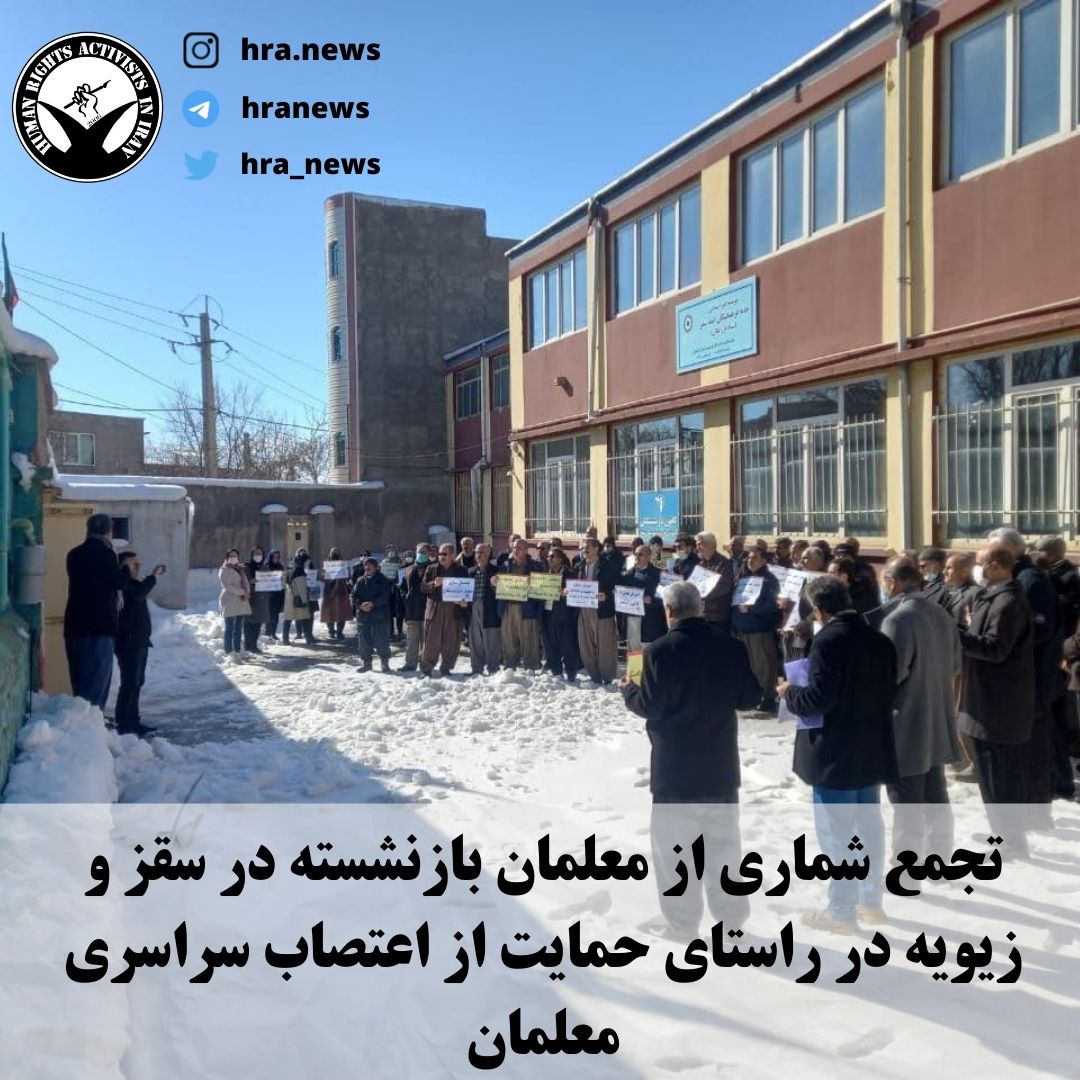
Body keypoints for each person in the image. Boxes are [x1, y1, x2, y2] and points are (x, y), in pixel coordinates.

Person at [621, 581, 760, 936]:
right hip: (719, 768)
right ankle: (731, 924)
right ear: (700, 608)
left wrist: (629, 691)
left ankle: (682, 925)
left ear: (668, 611)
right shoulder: (731, 647)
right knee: (725, 852)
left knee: (675, 856)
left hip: (675, 771)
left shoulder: (659, 651)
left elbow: (649, 705)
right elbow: (750, 698)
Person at [779, 575, 898, 931]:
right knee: (868, 827)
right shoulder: (879, 639)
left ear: (819, 609)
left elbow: (818, 698)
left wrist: (789, 693)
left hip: (836, 750)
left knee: (838, 833)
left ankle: (842, 911)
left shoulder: (828, 641)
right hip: (871, 745)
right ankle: (870, 901)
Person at [877, 557, 962, 859]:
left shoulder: (897, 620)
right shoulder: (940, 614)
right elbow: (955, 667)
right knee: (935, 792)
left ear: (893, 582)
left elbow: (890, 676)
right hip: (937, 715)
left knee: (907, 799)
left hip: (907, 721)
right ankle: (939, 856)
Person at [957, 543, 1034, 856]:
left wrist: (956, 635)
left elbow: (996, 649)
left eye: (981, 562)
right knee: (992, 777)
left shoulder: (1008, 602)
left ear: (997, 565)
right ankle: (1002, 835)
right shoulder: (993, 596)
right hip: (986, 700)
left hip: (998, 705)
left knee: (1000, 777)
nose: (978, 569)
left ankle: (1010, 841)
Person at [989, 527, 1060, 825]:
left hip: (1033, 677)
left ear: (1011, 551)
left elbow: (1041, 629)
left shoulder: (1029, 580)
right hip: (1022, 678)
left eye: (993, 551)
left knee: (1033, 745)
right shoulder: (1016, 578)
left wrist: (1010, 643)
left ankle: (1037, 810)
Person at [64, 513, 125, 711]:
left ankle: (79, 722)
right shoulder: (106, 553)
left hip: (74, 624)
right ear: (109, 531)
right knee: (96, 684)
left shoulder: (74, 554)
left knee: (80, 681)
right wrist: (124, 569)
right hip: (99, 626)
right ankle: (90, 724)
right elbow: (117, 582)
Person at [115, 552, 166, 737]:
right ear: (123, 566)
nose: (137, 567)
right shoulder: (123, 584)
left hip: (140, 640)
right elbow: (138, 594)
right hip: (128, 641)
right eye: (133, 564)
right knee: (129, 683)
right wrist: (153, 577)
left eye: (138, 564)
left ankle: (133, 721)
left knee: (137, 682)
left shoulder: (133, 584)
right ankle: (123, 723)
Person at [732, 545, 782, 714]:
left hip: (759, 629)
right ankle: (751, 697)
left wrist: (752, 608)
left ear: (764, 560)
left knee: (763, 666)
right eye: (748, 558)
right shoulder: (743, 577)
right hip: (742, 628)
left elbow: (772, 605)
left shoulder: (769, 580)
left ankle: (767, 698)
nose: (750, 561)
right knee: (748, 666)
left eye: (754, 558)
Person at [420, 543, 469, 677]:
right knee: (432, 640)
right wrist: (433, 584)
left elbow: (467, 590)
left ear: (453, 555)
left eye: (445, 554)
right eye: (440, 554)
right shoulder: (431, 568)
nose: (441, 556)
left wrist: (463, 601)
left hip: (453, 610)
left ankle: (446, 668)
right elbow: (423, 587)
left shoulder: (462, 570)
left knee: (451, 641)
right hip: (436, 609)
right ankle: (427, 669)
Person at [576, 537, 620, 684]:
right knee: (586, 644)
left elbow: (617, 587)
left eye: (588, 546)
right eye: (583, 547)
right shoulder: (580, 566)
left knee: (605, 645)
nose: (585, 549)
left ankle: (607, 677)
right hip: (584, 609)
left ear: (596, 549)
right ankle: (594, 676)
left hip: (602, 610)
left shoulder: (608, 566)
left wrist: (606, 595)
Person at [497, 538, 544, 671]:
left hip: (527, 608)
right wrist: (494, 582)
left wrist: (533, 583)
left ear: (526, 550)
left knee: (529, 641)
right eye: (514, 548)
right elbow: (499, 586)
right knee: (509, 640)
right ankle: (510, 668)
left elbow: (542, 588)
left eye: (518, 548)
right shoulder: (505, 565)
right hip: (508, 607)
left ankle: (531, 668)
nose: (515, 550)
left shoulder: (535, 566)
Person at [541, 547, 581, 680]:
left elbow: (577, 593)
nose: (549, 559)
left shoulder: (571, 574)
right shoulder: (543, 574)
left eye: (552, 556)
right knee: (550, 646)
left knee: (568, 646)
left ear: (560, 559)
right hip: (547, 614)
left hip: (565, 616)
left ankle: (571, 673)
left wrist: (567, 592)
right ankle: (556, 672)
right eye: (548, 557)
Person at [619, 544, 665, 651]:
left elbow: (664, 597)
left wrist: (651, 600)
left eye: (640, 554)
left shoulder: (658, 574)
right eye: (635, 554)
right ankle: (635, 663)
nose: (637, 557)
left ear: (649, 556)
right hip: (633, 618)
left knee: (648, 650)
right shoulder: (628, 574)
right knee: (634, 651)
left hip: (650, 620)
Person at [352, 557, 392, 673]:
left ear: (376, 567)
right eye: (366, 565)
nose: (368, 567)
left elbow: (385, 597)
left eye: (370, 565)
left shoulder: (382, 580)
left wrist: (372, 603)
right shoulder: (360, 581)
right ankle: (367, 664)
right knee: (364, 642)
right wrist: (360, 605)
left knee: (382, 641)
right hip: (363, 617)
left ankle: (384, 663)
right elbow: (353, 596)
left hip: (379, 617)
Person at [467, 543, 501, 675]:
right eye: (477, 552)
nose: (478, 555)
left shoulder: (496, 571)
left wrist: (495, 585)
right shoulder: (470, 571)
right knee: (475, 639)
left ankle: (493, 669)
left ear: (488, 554)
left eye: (482, 552)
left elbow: (502, 591)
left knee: (491, 640)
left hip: (489, 607)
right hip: (473, 607)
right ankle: (476, 669)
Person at [694, 532, 735, 635]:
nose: (697, 548)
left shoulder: (723, 563)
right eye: (697, 545)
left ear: (710, 544)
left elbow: (723, 587)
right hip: (702, 616)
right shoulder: (700, 564)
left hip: (718, 617)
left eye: (700, 544)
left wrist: (700, 596)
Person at [400, 543, 431, 672]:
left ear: (428, 553)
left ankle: (426, 664)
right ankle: (410, 664)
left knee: (426, 641)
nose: (421, 554)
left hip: (427, 610)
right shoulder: (408, 569)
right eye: (419, 551)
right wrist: (405, 597)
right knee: (412, 640)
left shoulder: (433, 568)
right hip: (412, 610)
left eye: (423, 552)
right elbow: (402, 587)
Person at [218, 549, 251, 659]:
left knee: (238, 627)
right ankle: (229, 651)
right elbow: (227, 586)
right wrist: (242, 592)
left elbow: (245, 582)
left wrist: (247, 591)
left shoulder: (240, 569)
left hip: (240, 601)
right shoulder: (224, 570)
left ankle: (238, 649)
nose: (233, 558)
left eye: (235, 556)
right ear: (227, 558)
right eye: (231, 556)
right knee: (230, 627)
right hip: (229, 601)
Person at [282, 549, 316, 646]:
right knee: (304, 618)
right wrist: (305, 600)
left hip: (291, 597)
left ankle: (285, 638)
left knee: (289, 619)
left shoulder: (293, 568)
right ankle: (308, 638)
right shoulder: (299, 571)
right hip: (298, 598)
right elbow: (301, 588)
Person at [320, 546, 353, 641]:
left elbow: (348, 577)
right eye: (333, 553)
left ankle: (339, 632)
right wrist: (325, 575)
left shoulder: (343, 565)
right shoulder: (327, 566)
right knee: (329, 612)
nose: (335, 554)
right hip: (329, 592)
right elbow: (322, 577)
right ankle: (331, 631)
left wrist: (347, 573)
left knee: (342, 612)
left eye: (337, 553)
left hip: (341, 591)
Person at [242, 546, 270, 655]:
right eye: (256, 554)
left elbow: (269, 582)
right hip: (249, 598)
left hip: (261, 599)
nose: (258, 556)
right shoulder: (246, 567)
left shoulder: (265, 568)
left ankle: (253, 645)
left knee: (258, 623)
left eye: (260, 554)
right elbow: (241, 581)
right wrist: (250, 581)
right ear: (252, 555)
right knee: (248, 623)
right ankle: (247, 645)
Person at [941, 551, 981, 625]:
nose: (944, 572)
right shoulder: (953, 590)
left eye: (949, 568)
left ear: (965, 571)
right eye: (945, 567)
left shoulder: (976, 593)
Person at [263, 550, 287, 641]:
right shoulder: (266, 567)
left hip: (278, 595)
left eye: (277, 557)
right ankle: (267, 632)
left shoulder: (280, 567)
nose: (276, 559)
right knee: (268, 614)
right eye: (274, 557)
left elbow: (283, 580)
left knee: (275, 615)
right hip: (268, 595)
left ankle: (273, 632)